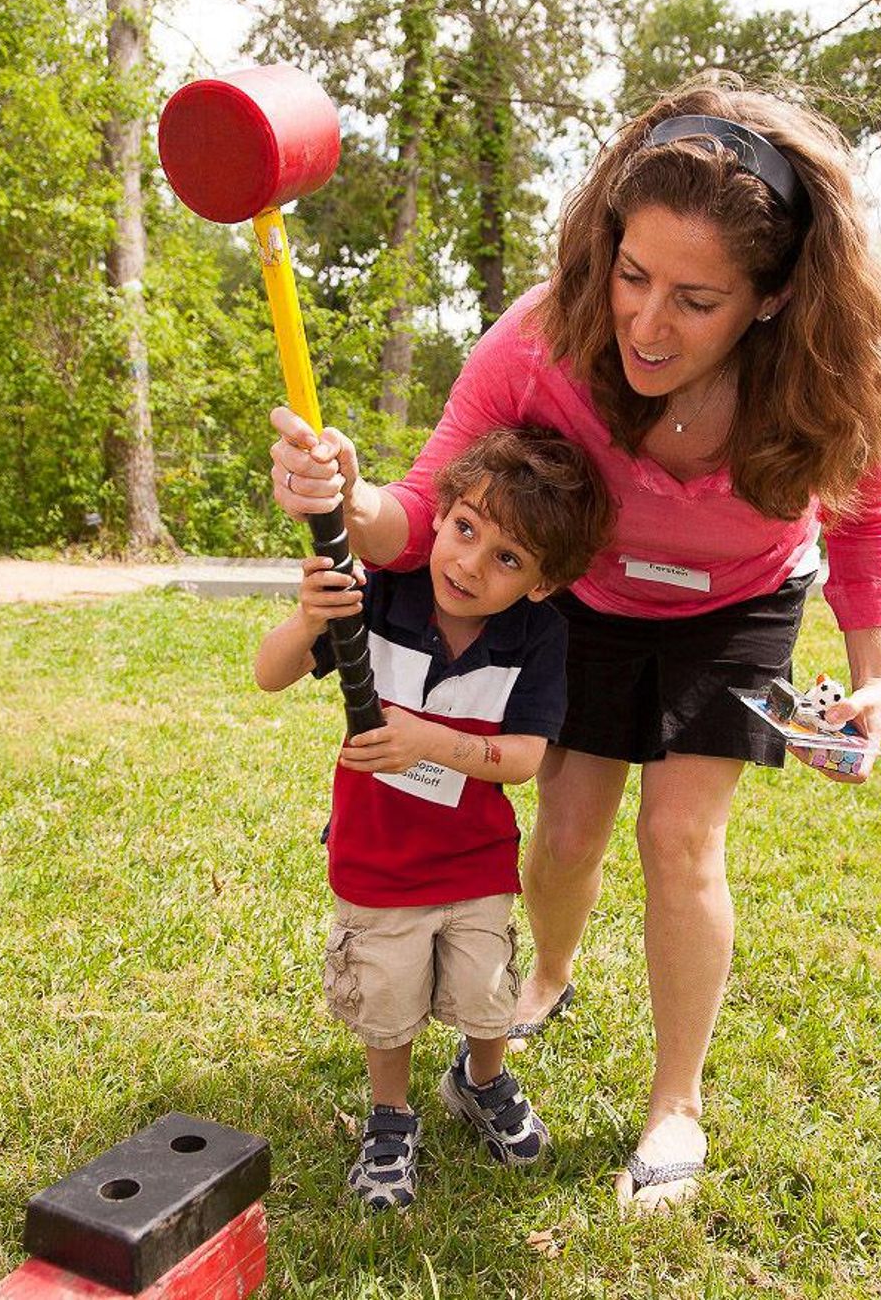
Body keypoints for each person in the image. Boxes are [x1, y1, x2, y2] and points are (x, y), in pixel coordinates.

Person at [267, 74, 881, 1211]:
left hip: (736, 606)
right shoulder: (542, 336)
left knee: (678, 834)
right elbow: (425, 506)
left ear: (770, 300)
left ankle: (676, 1102)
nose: (645, 321)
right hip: (587, 599)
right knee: (567, 827)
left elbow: (861, 523)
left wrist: (875, 672)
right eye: (632, 274)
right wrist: (346, 489)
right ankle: (553, 974)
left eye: (695, 298)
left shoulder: (826, 378)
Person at [256, 426, 613, 1210]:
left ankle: (480, 1078)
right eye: (464, 530)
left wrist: (429, 740)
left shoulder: (540, 636)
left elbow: (522, 757)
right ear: (443, 512)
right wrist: (310, 621)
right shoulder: (381, 594)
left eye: (508, 559)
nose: (469, 564)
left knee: (487, 991)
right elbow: (267, 673)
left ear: (545, 582)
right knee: (386, 997)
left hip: (477, 860)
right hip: (376, 855)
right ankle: (390, 1116)